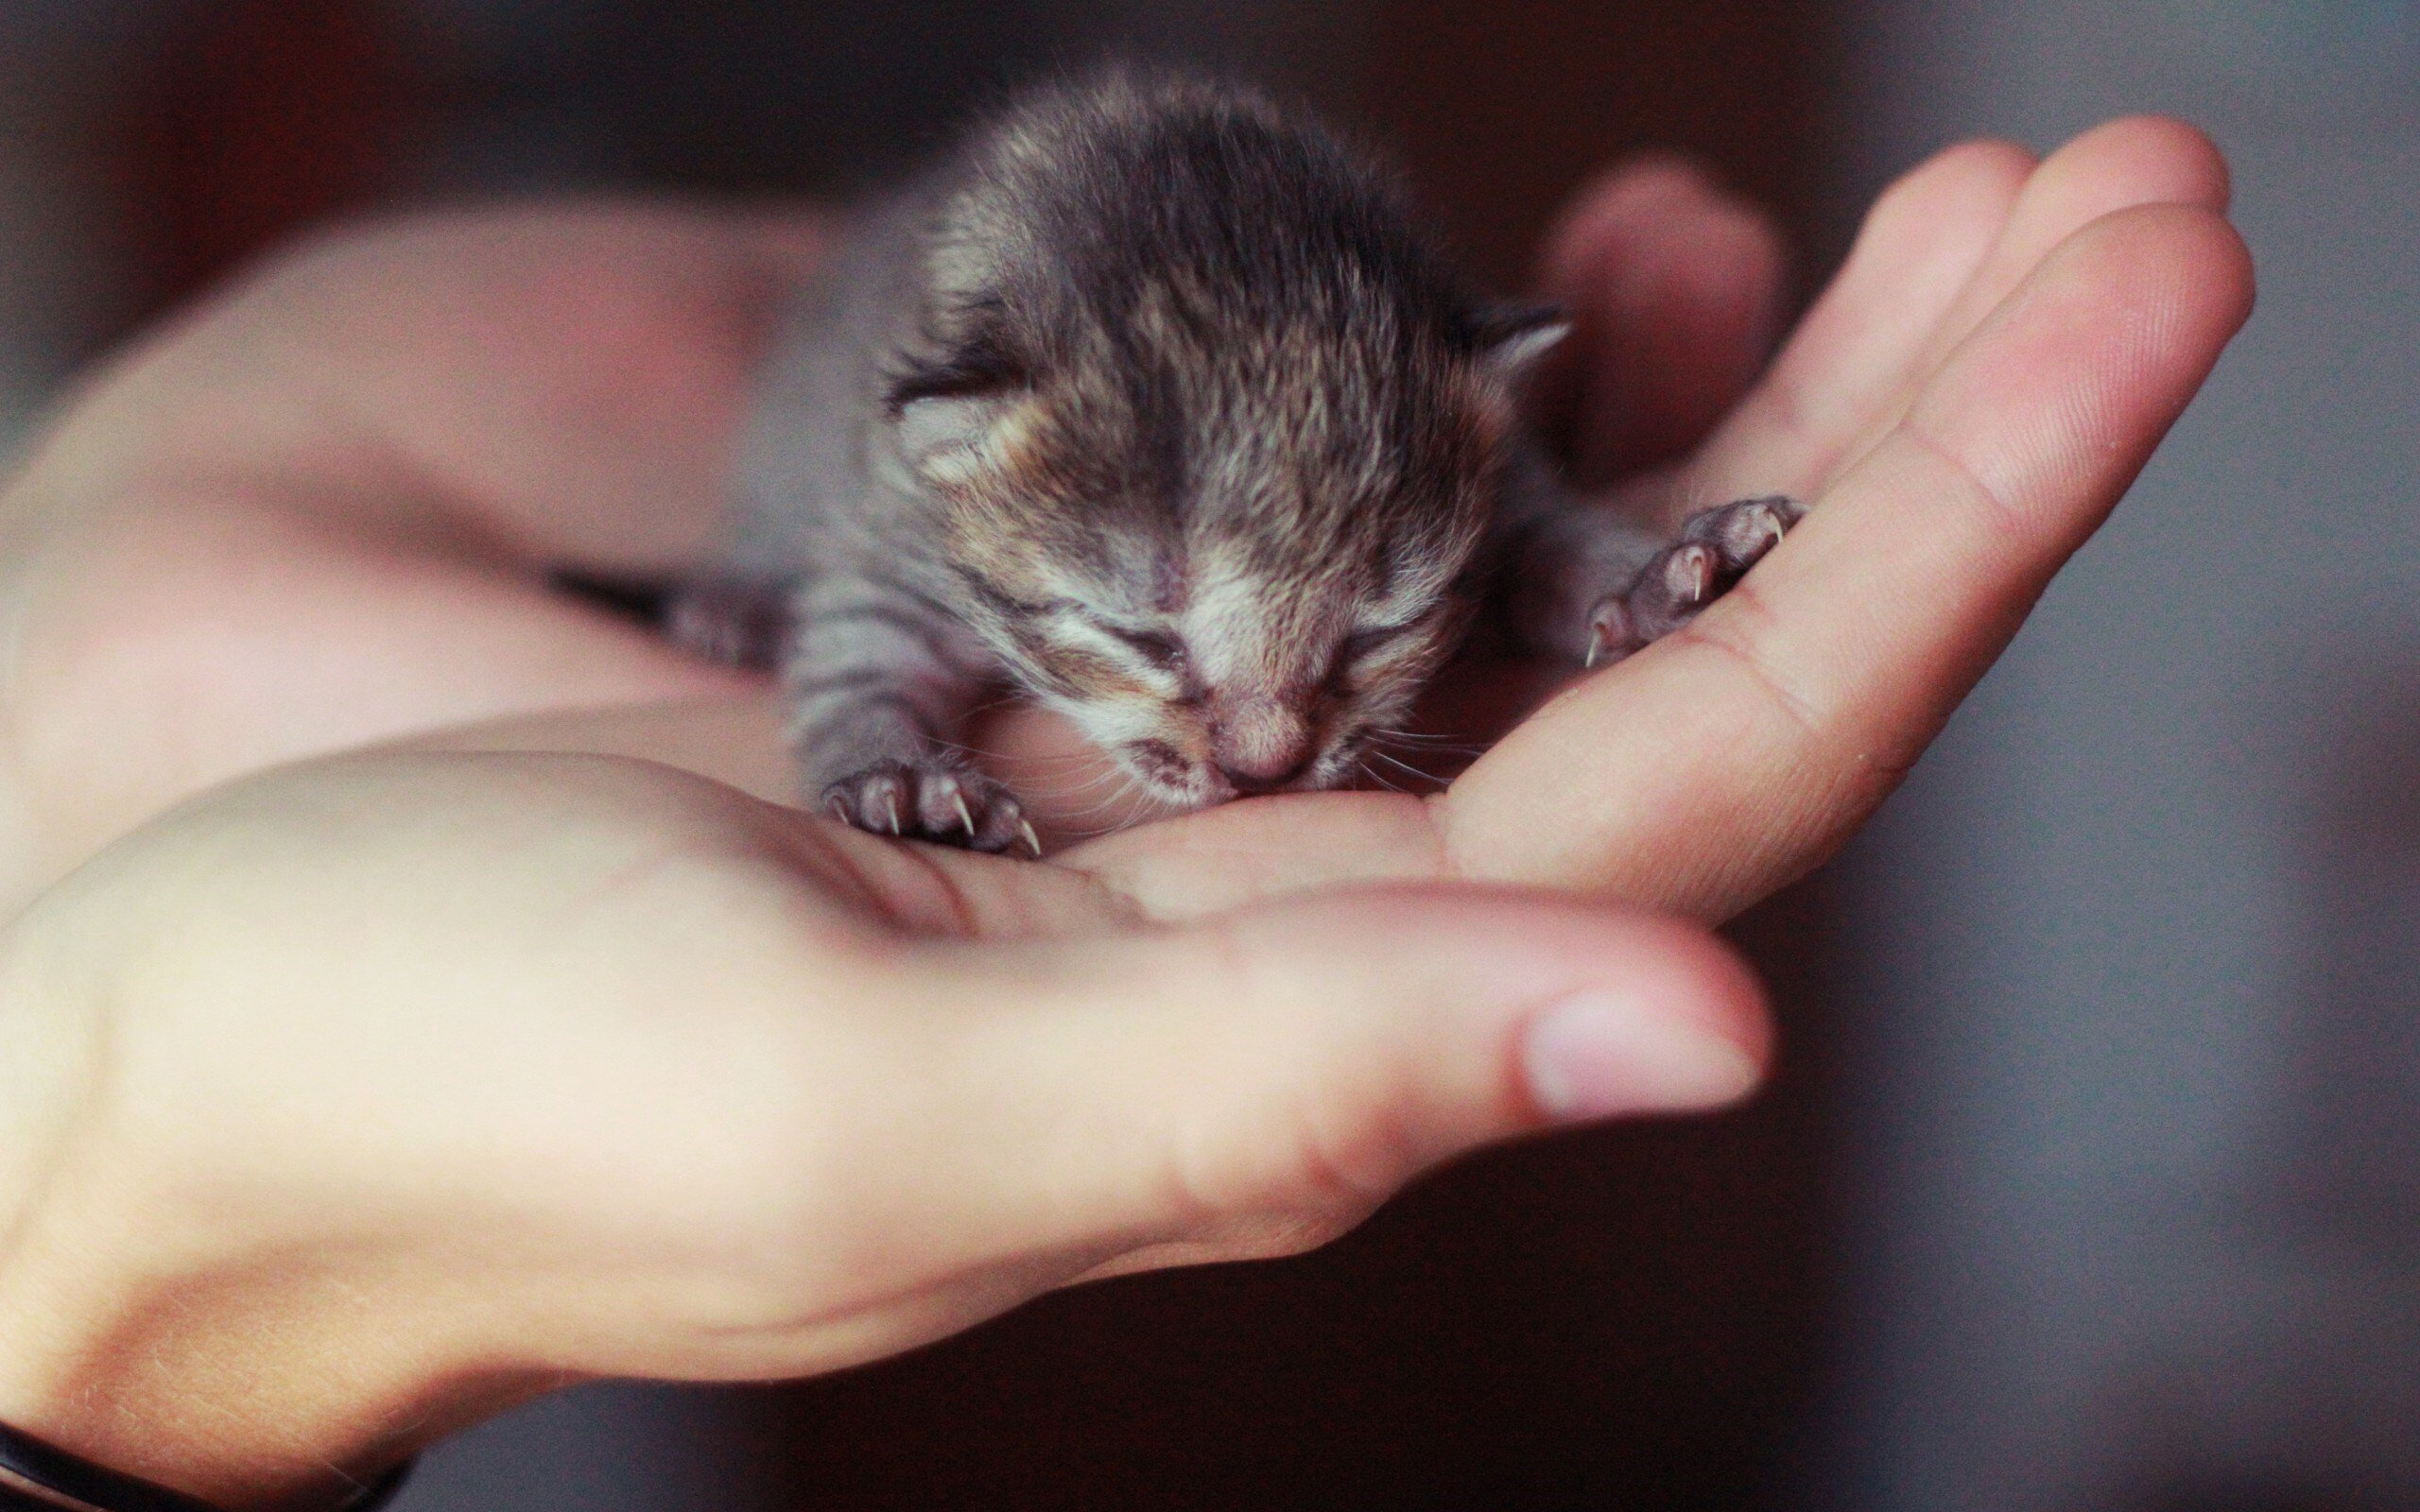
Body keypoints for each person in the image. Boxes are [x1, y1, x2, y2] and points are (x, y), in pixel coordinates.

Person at [0, 117, 2247, 1511]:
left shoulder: (1428, 400)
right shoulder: (945, 426)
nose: (1263, 748)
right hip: (851, 463)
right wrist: (870, 734)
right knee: (816, 605)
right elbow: (868, 654)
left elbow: (1515, 499)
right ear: (967, 447)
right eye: (1164, 653)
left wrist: (1584, 576)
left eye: (1360, 636)